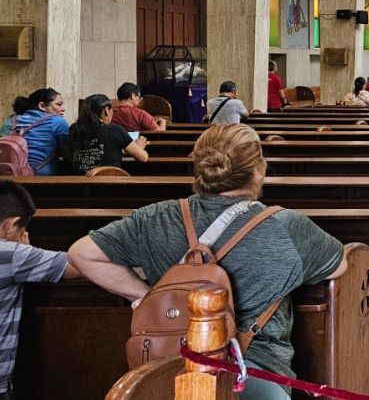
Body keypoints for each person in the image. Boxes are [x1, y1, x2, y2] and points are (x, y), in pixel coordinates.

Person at [69, 124, 347, 400]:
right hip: (253, 370)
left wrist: (146, 295)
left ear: (200, 170)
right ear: (257, 172)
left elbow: (83, 253)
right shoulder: (286, 226)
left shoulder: (156, 218)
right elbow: (340, 265)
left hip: (167, 368)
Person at [0, 181, 82, 397]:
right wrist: (27, 250)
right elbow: (81, 265)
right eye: (22, 231)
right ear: (9, 225)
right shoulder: (11, 254)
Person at [68, 94, 149, 172]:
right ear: (107, 110)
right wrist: (140, 147)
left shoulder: (74, 129)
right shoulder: (115, 130)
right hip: (110, 181)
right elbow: (143, 158)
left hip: (81, 181)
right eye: (112, 110)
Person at [7, 89, 69, 176]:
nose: (63, 109)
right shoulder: (57, 121)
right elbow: (67, 151)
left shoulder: (11, 120)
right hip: (40, 174)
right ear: (42, 106)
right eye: (59, 104)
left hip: (9, 173)